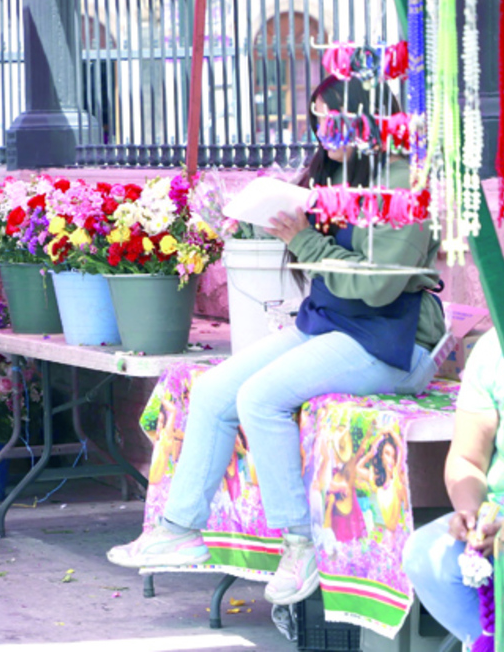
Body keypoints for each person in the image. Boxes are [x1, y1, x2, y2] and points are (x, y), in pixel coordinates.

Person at [106, 75, 444, 608]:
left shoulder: (403, 183)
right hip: (335, 324)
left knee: (260, 398)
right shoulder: (337, 173)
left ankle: (300, 543)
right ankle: (180, 529)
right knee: (214, 389)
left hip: (393, 342)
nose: (325, 133)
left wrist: (303, 238)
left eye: (336, 120)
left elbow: (378, 286)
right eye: (318, 120)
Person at [403, 215, 504, 647]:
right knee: (427, 555)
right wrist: (471, 515)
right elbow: (467, 458)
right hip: (501, 519)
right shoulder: (498, 349)